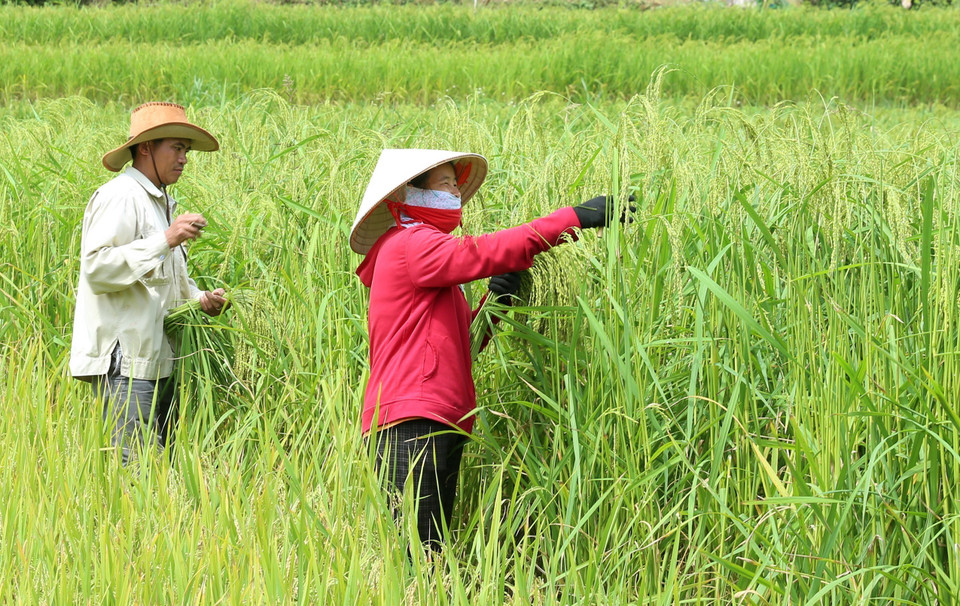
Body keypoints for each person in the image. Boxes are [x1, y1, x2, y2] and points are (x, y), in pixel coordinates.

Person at [350, 148, 630, 550]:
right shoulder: (410, 245)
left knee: (431, 553)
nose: (454, 193)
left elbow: (464, 343)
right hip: (410, 418)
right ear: (411, 194)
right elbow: (480, 252)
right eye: (445, 184)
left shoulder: (430, 264)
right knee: (419, 556)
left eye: (454, 184)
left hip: (437, 415)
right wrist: (571, 219)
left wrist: (495, 302)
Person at [69, 102, 228, 465]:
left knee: (156, 470)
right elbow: (96, 268)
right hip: (125, 362)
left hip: (154, 358)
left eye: (186, 150)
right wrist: (165, 240)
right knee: (135, 474)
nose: (184, 158)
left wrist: (201, 299)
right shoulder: (121, 196)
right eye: (176, 147)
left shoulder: (160, 203)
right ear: (146, 148)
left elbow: (165, 283)